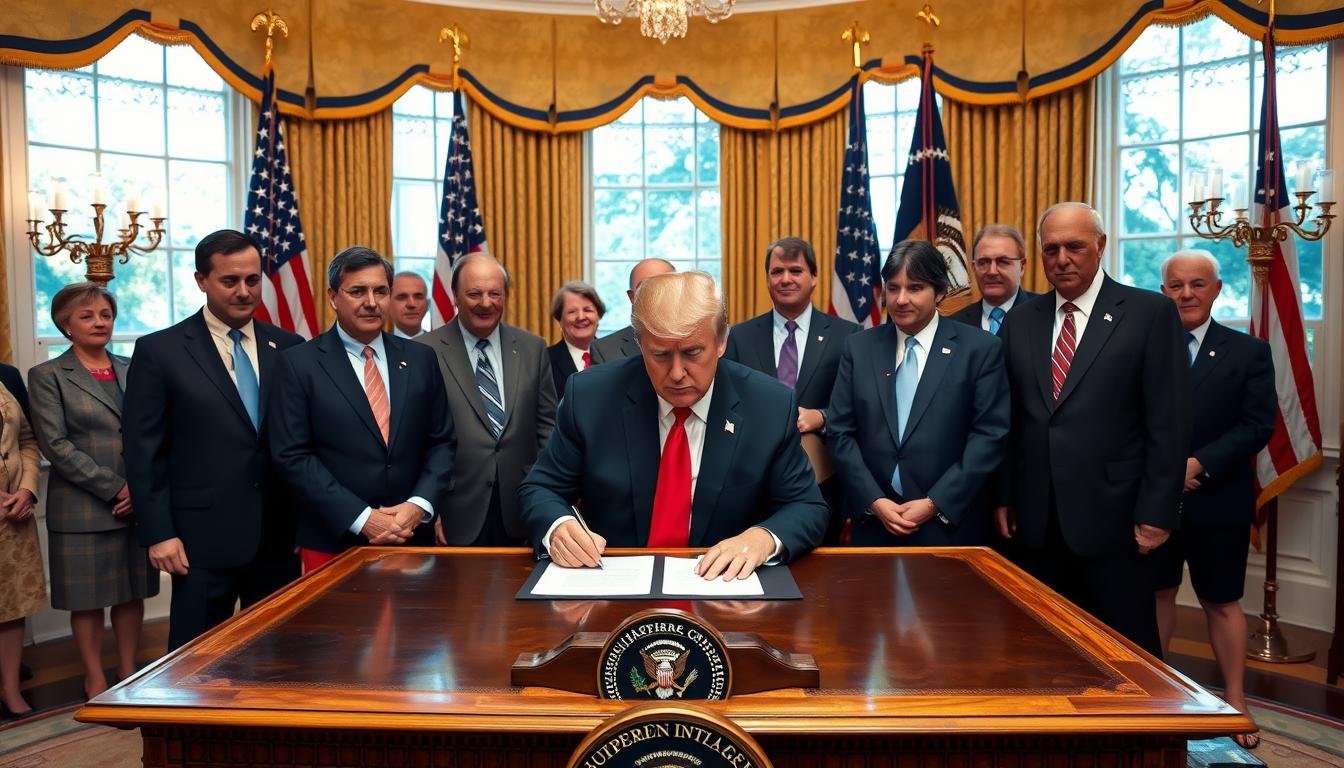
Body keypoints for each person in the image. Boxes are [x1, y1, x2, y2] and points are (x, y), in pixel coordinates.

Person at [519, 271, 828, 580]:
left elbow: (806, 506)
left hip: (723, 589)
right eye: (660, 355)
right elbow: (541, 488)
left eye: (692, 352)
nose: (677, 373)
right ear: (640, 344)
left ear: (721, 341)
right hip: (611, 586)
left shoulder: (769, 405)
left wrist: (762, 539)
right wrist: (558, 527)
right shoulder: (590, 397)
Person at [993, 202, 1189, 657]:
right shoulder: (1021, 320)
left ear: (1100, 247)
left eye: (1075, 247)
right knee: (1042, 650)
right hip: (1037, 521)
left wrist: (1158, 513)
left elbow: (1169, 421)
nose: (1062, 258)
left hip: (1117, 520)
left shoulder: (1149, 312)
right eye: (1051, 249)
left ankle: (1139, 732)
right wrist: (1004, 494)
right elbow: (1010, 417)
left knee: (1127, 654)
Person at [123, 229, 304, 651]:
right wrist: (158, 533)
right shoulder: (160, 351)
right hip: (199, 540)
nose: (244, 291)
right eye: (230, 281)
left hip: (277, 537)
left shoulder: (290, 348)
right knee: (194, 662)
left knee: (280, 655)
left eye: (253, 280)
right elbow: (142, 450)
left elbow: (298, 442)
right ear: (201, 280)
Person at [269, 246, 456, 567]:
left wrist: (418, 505)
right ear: (333, 297)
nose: (371, 302)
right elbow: (293, 456)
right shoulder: (299, 363)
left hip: (411, 534)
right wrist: (362, 517)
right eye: (357, 291)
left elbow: (442, 441)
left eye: (381, 291)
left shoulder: (421, 358)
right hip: (335, 538)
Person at [1154, 249, 1274, 748]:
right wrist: (1161, 472)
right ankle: (1156, 693)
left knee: (1221, 601)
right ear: (1163, 293)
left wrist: (1196, 466)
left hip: (1218, 499)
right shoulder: (1146, 347)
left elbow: (1257, 425)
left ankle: (1235, 698)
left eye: (1197, 284)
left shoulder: (1248, 352)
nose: (1186, 294)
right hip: (1155, 498)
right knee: (1156, 594)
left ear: (1217, 289)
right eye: (1176, 285)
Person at [827, 240, 1010, 546]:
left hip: (949, 527)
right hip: (875, 525)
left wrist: (934, 503)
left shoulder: (979, 349)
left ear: (939, 292)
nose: (900, 299)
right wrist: (874, 500)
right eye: (893, 287)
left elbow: (989, 436)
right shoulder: (859, 347)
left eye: (915, 288)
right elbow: (840, 431)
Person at [28, 283, 158, 699]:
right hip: (83, 507)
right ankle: (94, 676)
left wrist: (139, 489)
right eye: (87, 316)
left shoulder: (131, 366)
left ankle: (126, 667)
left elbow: (151, 431)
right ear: (65, 325)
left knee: (132, 591)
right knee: (88, 600)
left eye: (105, 314)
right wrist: (117, 487)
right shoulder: (47, 375)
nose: (99, 322)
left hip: (137, 504)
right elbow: (56, 445)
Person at [724, 236, 859, 540]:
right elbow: (727, 401)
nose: (785, 279)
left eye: (796, 271)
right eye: (777, 271)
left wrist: (822, 416)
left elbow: (860, 405)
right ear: (767, 278)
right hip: (752, 482)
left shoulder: (848, 335)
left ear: (813, 277)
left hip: (823, 481)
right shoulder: (740, 336)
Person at [417, 254, 555, 545]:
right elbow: (415, 439)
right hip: (453, 509)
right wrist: (429, 505)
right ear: (455, 295)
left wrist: (548, 499)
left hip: (522, 506)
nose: (486, 302)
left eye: (495, 293)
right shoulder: (423, 351)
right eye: (474, 293)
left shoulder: (533, 348)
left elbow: (547, 429)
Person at [0, 367, 42, 719]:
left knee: (12, 606)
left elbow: (28, 440)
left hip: (14, 512)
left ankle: (10, 689)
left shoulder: (7, 376)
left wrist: (27, 489)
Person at [947, 224, 1038, 334]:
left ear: (1022, 266)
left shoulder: (1046, 314)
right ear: (973, 268)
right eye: (984, 262)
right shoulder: (955, 324)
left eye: (1003, 262)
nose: (992, 272)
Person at [591, 258, 676, 361]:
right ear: (632, 297)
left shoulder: (697, 338)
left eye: (664, 286)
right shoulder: (605, 350)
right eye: (647, 288)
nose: (657, 295)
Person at [547, 281, 607, 397]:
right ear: (560, 320)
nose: (581, 317)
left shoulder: (616, 356)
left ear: (598, 315)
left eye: (587, 310)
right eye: (572, 312)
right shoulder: (545, 361)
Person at [389, 271, 428, 339]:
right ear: (387, 304)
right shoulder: (373, 347)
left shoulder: (443, 347)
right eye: (402, 297)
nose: (411, 304)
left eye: (418, 297)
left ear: (427, 303)